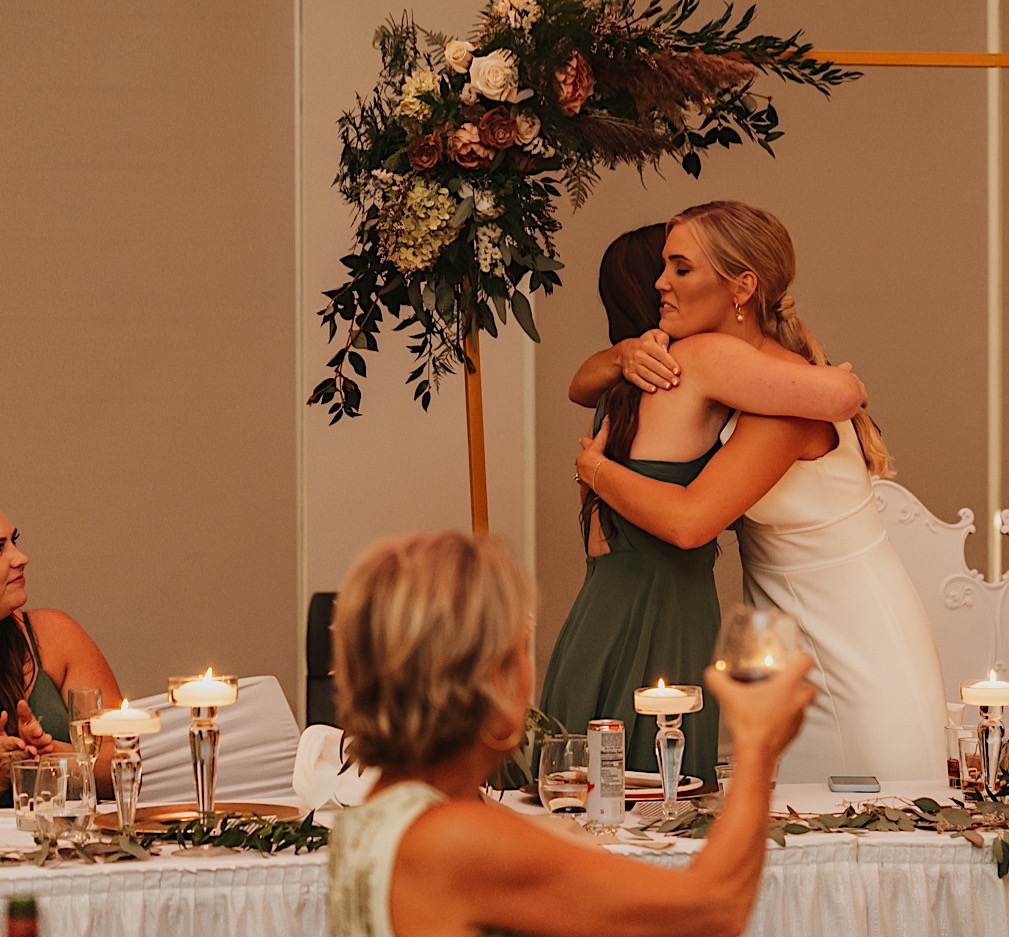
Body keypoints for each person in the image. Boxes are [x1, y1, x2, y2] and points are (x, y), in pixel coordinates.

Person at [572, 201, 947, 783]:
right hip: (787, 649)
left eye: (680, 269)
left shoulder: (785, 404)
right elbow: (585, 383)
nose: (659, 283)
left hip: (851, 648)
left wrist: (595, 471)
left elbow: (692, 521)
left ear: (742, 287)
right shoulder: (742, 378)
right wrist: (619, 355)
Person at [326, 530, 815, 937]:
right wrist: (758, 744)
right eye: (520, 645)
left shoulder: (381, 813)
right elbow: (712, 909)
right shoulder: (453, 840)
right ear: (487, 677)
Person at [0, 489, 122, 805]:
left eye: (13, 541)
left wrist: (51, 756)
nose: (20, 558)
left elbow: (121, 768)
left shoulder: (53, 636)